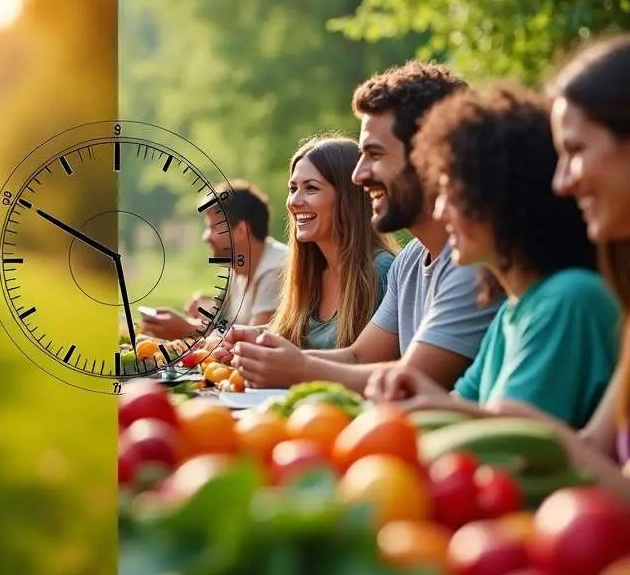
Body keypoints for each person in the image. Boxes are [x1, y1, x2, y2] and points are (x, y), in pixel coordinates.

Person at [226, 60, 502, 391]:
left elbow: (410, 380)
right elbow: (359, 358)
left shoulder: (472, 263)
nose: (359, 175)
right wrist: (272, 352)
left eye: (375, 154)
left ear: (430, 156)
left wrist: (299, 368)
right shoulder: (410, 261)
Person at [365, 85, 621, 428]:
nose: (440, 212)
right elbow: (465, 410)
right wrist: (419, 398)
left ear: (501, 196)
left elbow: (514, 440)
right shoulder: (513, 312)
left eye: (450, 193)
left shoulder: (568, 298)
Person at [477, 34, 630, 499]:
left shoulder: (569, 297)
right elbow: (600, 458)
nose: (560, 183)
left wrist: (525, 426)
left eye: (577, 151)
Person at [258, 135, 397, 350]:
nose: (294, 202)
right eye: (293, 189)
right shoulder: (311, 272)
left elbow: (364, 363)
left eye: (311, 188)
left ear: (347, 199)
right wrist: (241, 337)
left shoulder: (381, 272)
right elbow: (287, 334)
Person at [140, 179, 287, 339]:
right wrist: (205, 316)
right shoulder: (238, 270)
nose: (206, 237)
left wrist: (189, 330)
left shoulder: (276, 269)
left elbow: (254, 343)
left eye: (213, 227)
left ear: (240, 230)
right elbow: (228, 326)